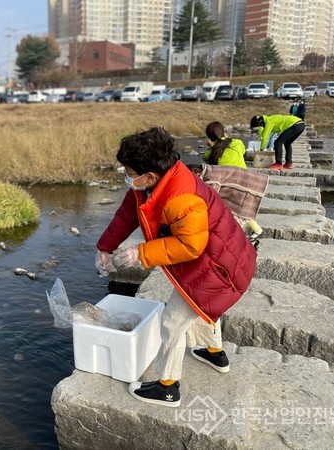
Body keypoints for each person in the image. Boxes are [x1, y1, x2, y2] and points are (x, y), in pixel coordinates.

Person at [95, 127, 257, 408]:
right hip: (218, 258)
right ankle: (214, 352)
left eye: (129, 172)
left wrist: (141, 254)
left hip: (220, 268)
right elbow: (127, 214)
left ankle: (167, 387)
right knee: (201, 304)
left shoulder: (181, 197)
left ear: (150, 175)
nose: (126, 176)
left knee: (172, 320)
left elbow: (190, 246)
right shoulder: (152, 184)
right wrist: (105, 247)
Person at [201, 121, 264, 241]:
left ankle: (252, 231)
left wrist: (211, 146)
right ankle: (255, 230)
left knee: (230, 208)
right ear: (224, 132)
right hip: (246, 180)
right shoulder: (237, 143)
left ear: (210, 138)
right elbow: (243, 151)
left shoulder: (212, 152)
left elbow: (205, 158)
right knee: (240, 209)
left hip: (229, 185)